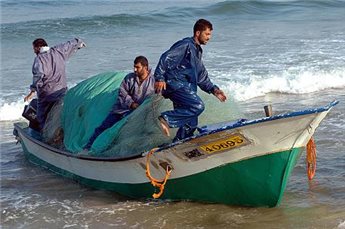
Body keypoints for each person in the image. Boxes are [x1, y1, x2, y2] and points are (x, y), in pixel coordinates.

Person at [154, 19, 227, 142]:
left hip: (186, 87)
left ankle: (178, 145)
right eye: (207, 34)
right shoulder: (186, 44)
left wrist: (214, 90)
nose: (209, 37)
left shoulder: (197, 50)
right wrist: (160, 77)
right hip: (176, 85)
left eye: (210, 34)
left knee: (191, 124)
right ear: (198, 33)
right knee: (197, 106)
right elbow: (166, 57)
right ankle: (166, 118)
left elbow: (201, 75)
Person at [84, 56, 155, 150]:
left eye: (137, 67)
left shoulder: (154, 80)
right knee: (103, 128)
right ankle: (87, 148)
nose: (134, 70)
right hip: (121, 110)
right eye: (134, 67)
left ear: (145, 67)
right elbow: (122, 93)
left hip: (140, 113)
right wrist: (131, 104)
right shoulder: (129, 78)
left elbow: (156, 97)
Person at [24, 38, 86, 130]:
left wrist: (32, 91)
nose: (34, 51)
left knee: (42, 117)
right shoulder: (58, 51)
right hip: (62, 92)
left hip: (46, 95)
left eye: (34, 49)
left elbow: (38, 76)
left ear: (38, 47)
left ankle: (43, 137)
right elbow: (70, 44)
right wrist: (79, 43)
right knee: (60, 114)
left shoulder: (39, 59)